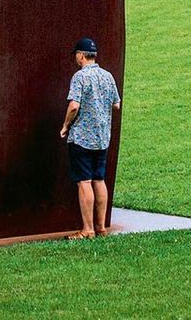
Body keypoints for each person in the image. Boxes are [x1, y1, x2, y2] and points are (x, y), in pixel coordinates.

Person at [58, 36, 121, 239]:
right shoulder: (107, 76)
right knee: (99, 179)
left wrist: (66, 125)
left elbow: (74, 105)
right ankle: (101, 227)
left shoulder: (80, 77)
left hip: (82, 138)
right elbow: (116, 104)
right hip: (102, 137)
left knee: (84, 181)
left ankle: (87, 229)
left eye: (77, 55)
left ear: (81, 55)